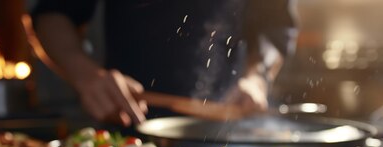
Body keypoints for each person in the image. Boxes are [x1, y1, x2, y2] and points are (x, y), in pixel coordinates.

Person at [30, 0, 297, 126]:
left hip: (227, 129)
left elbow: (275, 25)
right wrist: (86, 75)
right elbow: (54, 14)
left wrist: (257, 77)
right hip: (131, 128)